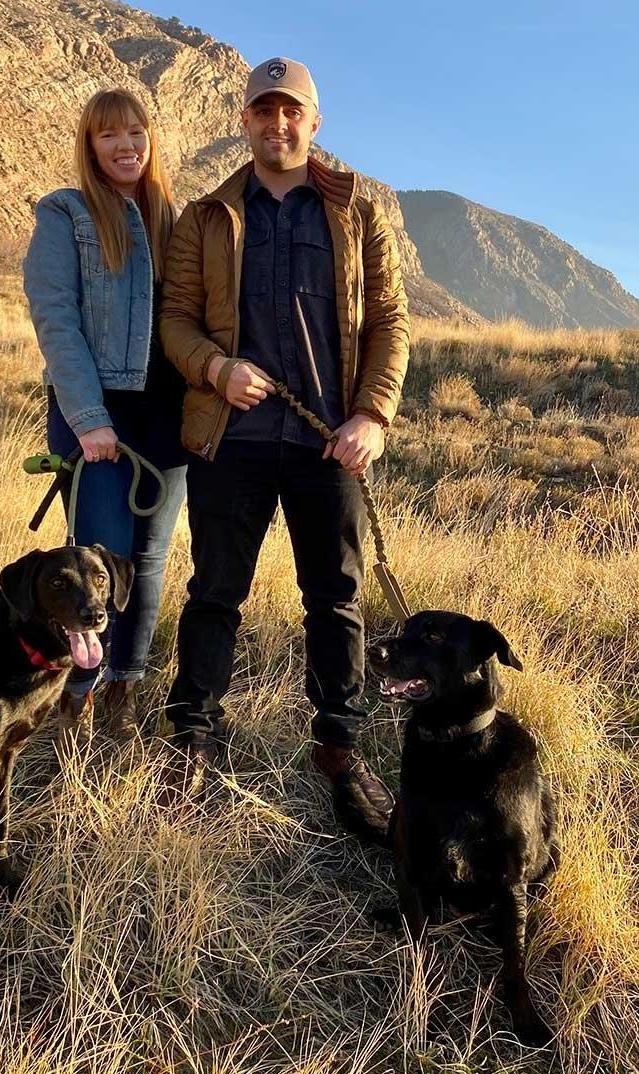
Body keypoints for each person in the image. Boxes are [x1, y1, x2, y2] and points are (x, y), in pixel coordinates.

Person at [160, 57, 410, 839]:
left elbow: (391, 322)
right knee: (214, 595)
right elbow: (175, 320)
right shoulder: (207, 216)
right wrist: (215, 367)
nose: (278, 125)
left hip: (327, 445)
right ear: (245, 121)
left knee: (335, 600)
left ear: (314, 122)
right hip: (229, 437)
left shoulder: (357, 213)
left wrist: (371, 415)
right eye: (264, 112)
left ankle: (338, 748)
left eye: (291, 111)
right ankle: (194, 739)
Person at [23, 88, 187, 740]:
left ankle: (126, 686)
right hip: (98, 416)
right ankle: (78, 696)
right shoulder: (66, 214)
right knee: (97, 564)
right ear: (90, 145)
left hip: (165, 419)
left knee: (147, 562)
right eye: (108, 135)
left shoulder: (175, 220)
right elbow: (56, 320)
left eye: (135, 133)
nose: (125, 146)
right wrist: (90, 419)